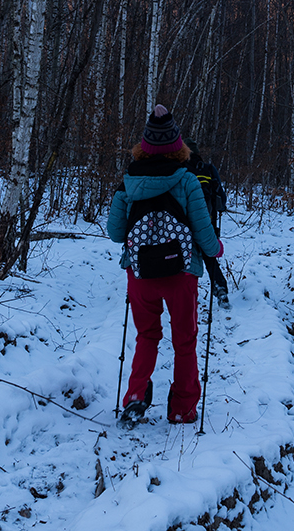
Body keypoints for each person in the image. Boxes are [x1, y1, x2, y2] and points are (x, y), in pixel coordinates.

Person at [107, 105, 222, 426]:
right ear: (178, 147)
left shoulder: (129, 182)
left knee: (147, 335)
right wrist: (217, 249)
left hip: (140, 274)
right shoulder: (187, 182)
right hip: (181, 272)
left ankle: (135, 395)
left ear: (143, 147)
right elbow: (204, 234)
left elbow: (115, 233)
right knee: (184, 340)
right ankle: (182, 408)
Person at [186, 139, 230, 307]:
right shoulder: (209, 170)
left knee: (181, 259)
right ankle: (220, 288)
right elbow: (221, 201)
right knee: (209, 257)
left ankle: (183, 296)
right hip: (207, 223)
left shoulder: (178, 171)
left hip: (181, 226)